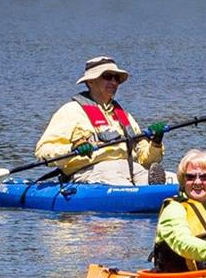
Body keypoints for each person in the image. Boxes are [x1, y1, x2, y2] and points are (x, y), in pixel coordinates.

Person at [35, 56, 168, 185]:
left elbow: (146, 160)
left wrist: (156, 142)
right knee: (121, 184)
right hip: (93, 170)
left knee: (174, 180)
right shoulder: (70, 111)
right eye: (107, 76)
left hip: (131, 168)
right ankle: (142, 193)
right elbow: (43, 152)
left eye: (116, 78)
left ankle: (156, 189)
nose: (114, 82)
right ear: (90, 82)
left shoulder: (124, 115)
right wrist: (72, 148)